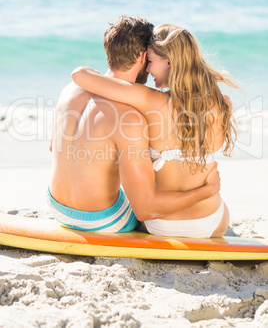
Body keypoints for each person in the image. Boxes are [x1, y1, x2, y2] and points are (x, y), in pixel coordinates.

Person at [49, 16, 220, 234]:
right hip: (99, 221)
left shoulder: (71, 89)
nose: (149, 68)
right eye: (149, 60)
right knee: (147, 208)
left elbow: (55, 147)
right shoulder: (130, 118)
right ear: (142, 56)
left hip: (55, 205)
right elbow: (146, 209)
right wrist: (205, 191)